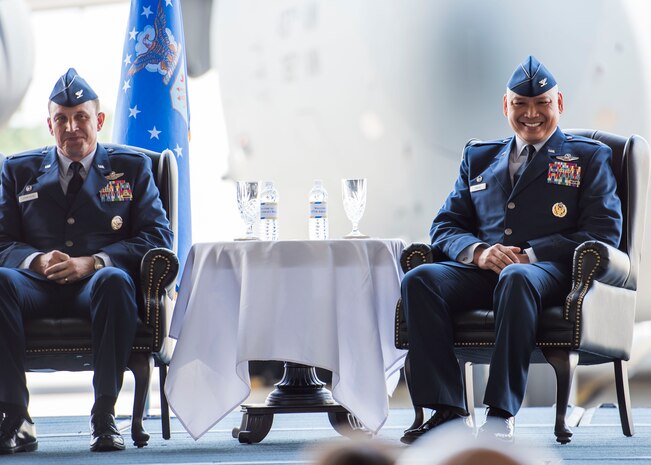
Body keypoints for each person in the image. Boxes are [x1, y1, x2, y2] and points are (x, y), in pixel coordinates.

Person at [399, 56, 622, 444]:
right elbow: (445, 226)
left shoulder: (588, 156)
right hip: (483, 270)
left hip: (549, 273)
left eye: (542, 104)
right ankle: (447, 411)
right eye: (520, 104)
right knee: (421, 280)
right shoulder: (479, 156)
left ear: (560, 104)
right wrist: (479, 252)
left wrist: (530, 254)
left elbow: (603, 232)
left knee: (517, 277)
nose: (531, 114)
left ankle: (500, 416)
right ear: (506, 107)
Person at [0, 68, 173, 454]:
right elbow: (1, 241)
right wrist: (36, 261)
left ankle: (104, 416)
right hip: (36, 287)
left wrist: (93, 262)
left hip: (97, 287)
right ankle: (15, 418)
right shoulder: (18, 170)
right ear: (50, 125)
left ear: (99, 120)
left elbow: (158, 237)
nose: (72, 126)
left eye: (80, 117)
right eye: (61, 118)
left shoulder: (130, 168)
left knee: (113, 280)